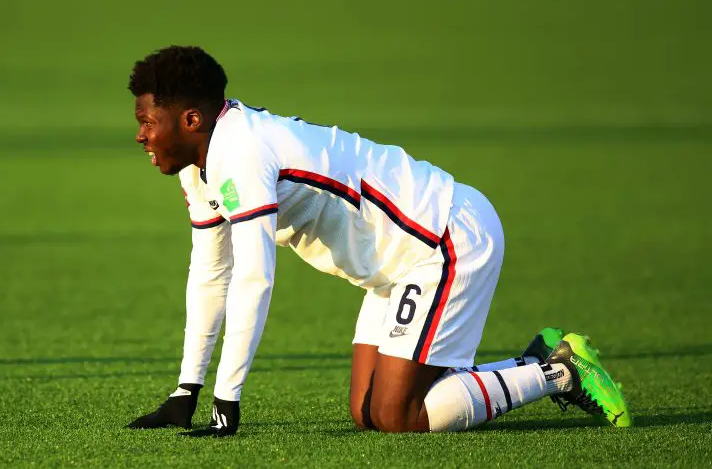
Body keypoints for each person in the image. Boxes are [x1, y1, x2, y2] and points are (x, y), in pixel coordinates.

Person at [125, 46, 631, 436]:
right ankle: (538, 361)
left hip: (444, 237)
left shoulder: (240, 151)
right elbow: (213, 277)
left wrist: (226, 402)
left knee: (401, 413)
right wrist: (186, 391)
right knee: (367, 414)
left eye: (147, 122)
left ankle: (558, 371)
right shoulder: (201, 168)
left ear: (191, 119)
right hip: (391, 266)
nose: (141, 136)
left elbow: (254, 279)